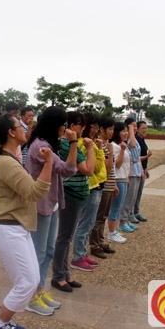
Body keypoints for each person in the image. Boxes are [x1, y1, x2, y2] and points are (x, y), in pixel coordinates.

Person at [0, 114, 53, 329]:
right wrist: (49, 163)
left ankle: (5, 322)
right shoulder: (6, 162)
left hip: (16, 227)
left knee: (31, 281)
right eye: (20, 126)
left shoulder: (9, 159)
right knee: (26, 283)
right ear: (11, 133)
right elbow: (35, 192)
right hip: (8, 229)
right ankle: (0, 324)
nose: (25, 129)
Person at [25, 106, 78, 315]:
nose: (65, 128)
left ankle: (40, 289)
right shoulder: (40, 146)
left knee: (48, 250)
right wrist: (73, 143)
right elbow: (68, 169)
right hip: (41, 205)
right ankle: (31, 296)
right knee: (37, 252)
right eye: (63, 124)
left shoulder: (47, 144)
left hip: (51, 203)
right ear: (55, 125)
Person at [51, 111, 94, 292]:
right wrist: (90, 148)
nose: (83, 129)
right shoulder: (67, 145)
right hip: (70, 194)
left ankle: (65, 273)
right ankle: (58, 276)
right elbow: (89, 169)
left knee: (67, 236)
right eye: (81, 125)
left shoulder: (70, 144)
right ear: (72, 126)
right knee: (64, 237)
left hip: (76, 194)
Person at [70, 112, 106, 271]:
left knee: (89, 223)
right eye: (93, 127)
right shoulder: (83, 144)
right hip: (90, 186)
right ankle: (78, 256)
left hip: (95, 185)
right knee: (84, 223)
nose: (95, 131)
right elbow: (96, 167)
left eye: (97, 128)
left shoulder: (87, 143)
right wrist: (98, 149)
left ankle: (82, 253)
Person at [88, 116, 118, 259]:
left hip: (110, 184)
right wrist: (110, 152)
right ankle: (95, 245)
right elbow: (106, 168)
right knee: (98, 217)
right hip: (103, 185)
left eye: (113, 129)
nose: (112, 132)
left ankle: (100, 241)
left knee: (104, 216)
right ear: (102, 129)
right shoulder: (100, 145)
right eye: (110, 129)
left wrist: (115, 184)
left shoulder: (107, 144)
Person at [107, 122, 130, 245]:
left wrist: (128, 178)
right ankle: (111, 233)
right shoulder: (115, 146)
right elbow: (118, 164)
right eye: (123, 131)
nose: (126, 133)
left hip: (124, 178)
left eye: (127, 131)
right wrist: (122, 150)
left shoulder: (122, 145)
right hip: (118, 179)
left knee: (119, 207)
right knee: (115, 207)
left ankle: (114, 231)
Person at [118, 118, 142, 234]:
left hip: (137, 169)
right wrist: (131, 131)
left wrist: (142, 170)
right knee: (128, 198)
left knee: (133, 197)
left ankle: (127, 218)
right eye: (133, 126)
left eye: (136, 126)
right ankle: (123, 220)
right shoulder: (128, 139)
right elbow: (132, 145)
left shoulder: (135, 138)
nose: (135, 128)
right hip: (131, 170)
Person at [131, 121, 152, 222]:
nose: (145, 130)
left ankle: (136, 211)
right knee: (134, 194)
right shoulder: (136, 140)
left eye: (146, 128)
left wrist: (146, 169)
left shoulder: (142, 140)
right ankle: (131, 213)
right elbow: (136, 157)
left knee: (138, 193)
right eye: (143, 128)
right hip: (138, 169)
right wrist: (147, 156)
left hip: (142, 168)